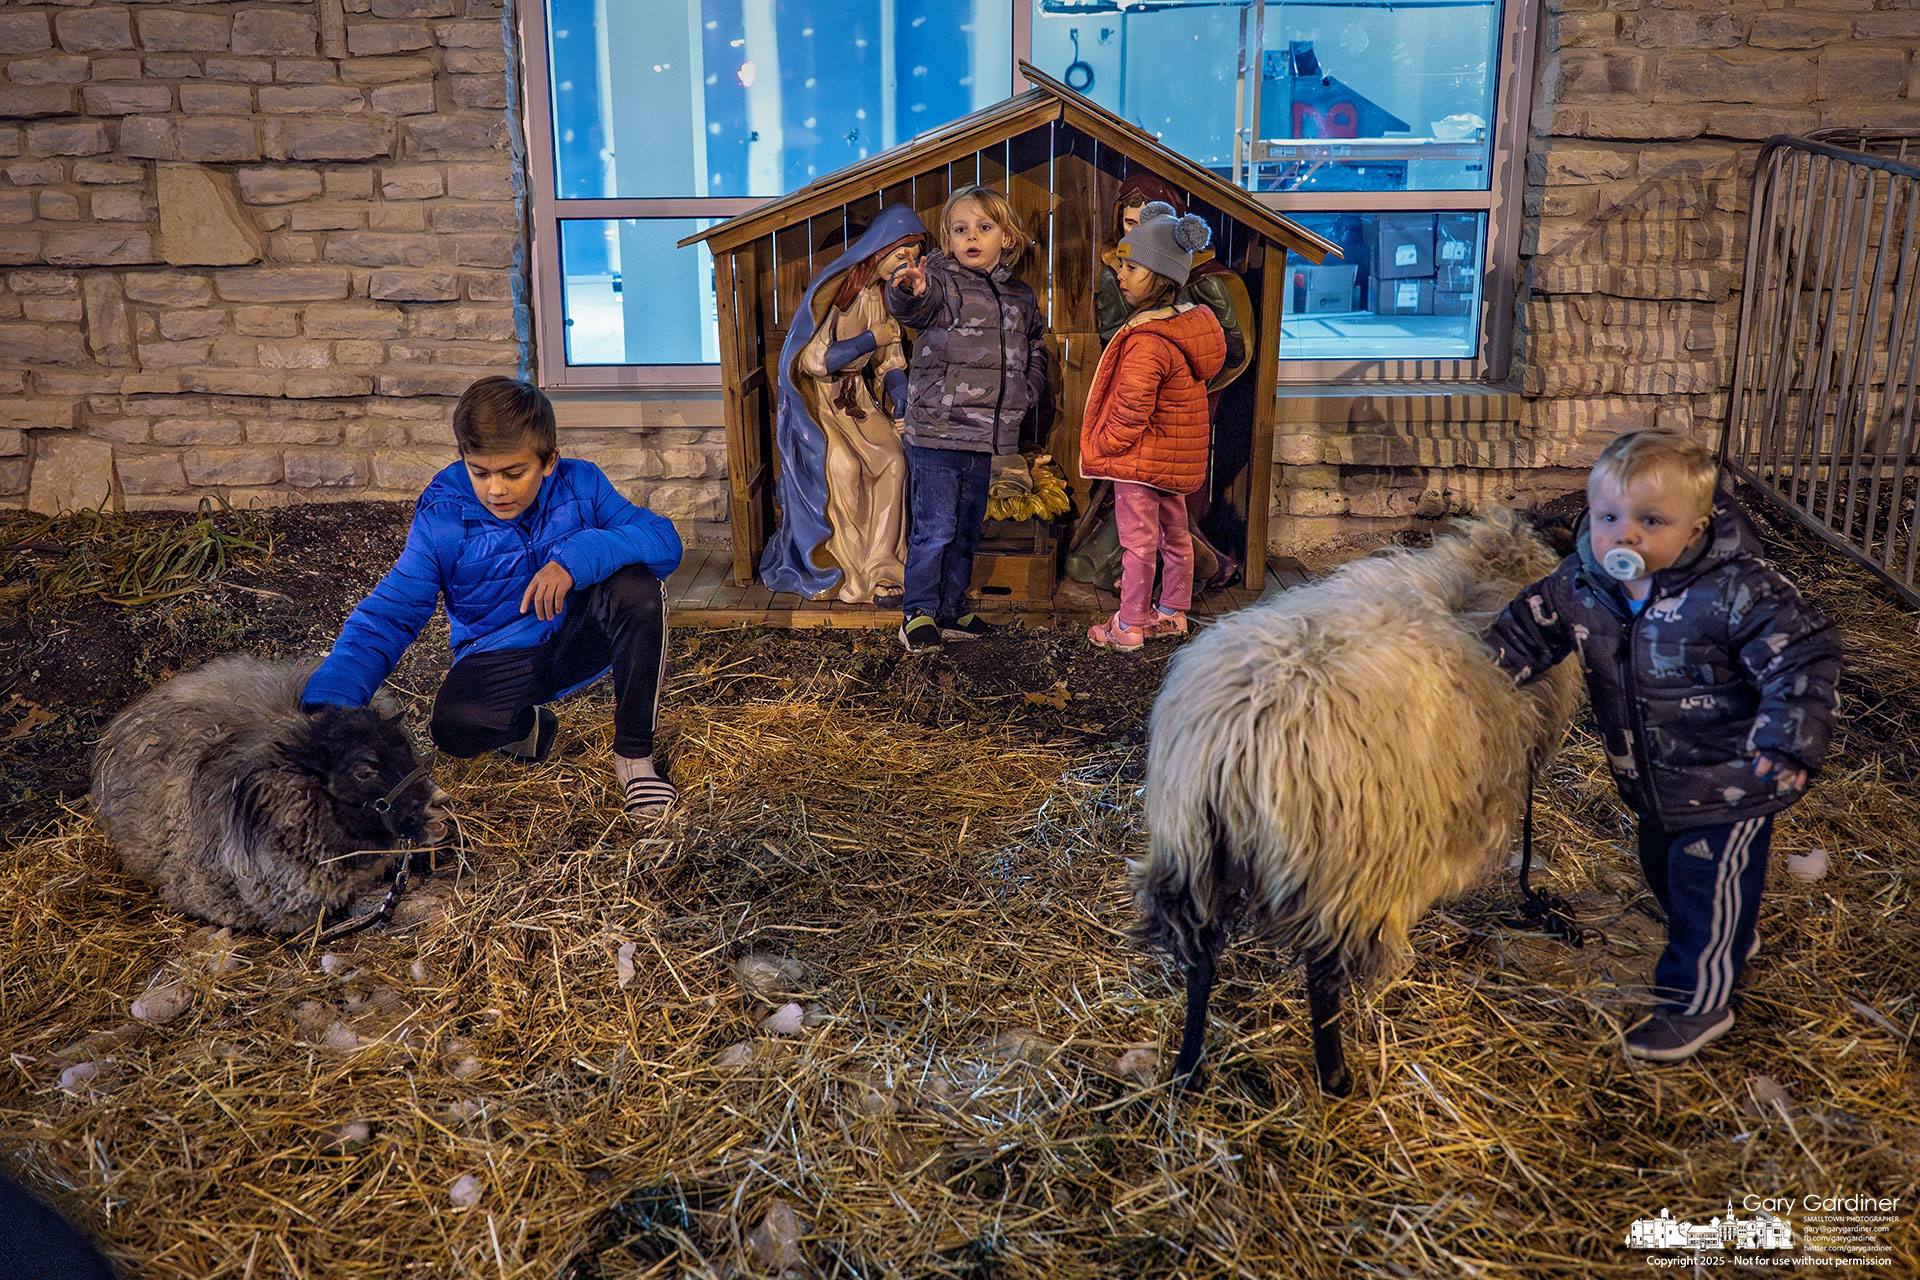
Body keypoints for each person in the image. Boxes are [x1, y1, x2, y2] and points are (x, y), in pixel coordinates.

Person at [1489, 430, 1841, 1063]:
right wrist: (1484, 675)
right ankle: (1722, 936)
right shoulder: (1586, 584)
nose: (1625, 536)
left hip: (1733, 782)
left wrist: (1787, 738)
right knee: (1670, 876)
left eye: (1651, 520)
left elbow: (1804, 659)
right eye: (1609, 518)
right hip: (1651, 782)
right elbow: (1529, 627)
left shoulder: (1735, 592)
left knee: (1705, 883)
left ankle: (1697, 1002)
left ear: (1697, 526)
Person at [301, 377, 685, 816]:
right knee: (454, 730)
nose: (496, 490)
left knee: (638, 590)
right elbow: (390, 615)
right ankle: (526, 726)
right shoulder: (443, 519)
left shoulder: (583, 484)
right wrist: (329, 702)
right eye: (480, 472)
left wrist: (577, 559)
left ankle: (635, 760)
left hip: (579, 633)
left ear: (548, 462)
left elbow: (663, 539)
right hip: (499, 653)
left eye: (512, 473)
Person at [885, 185, 1050, 651]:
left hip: (985, 437)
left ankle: (953, 608)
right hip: (937, 434)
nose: (971, 237)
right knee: (933, 528)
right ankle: (917, 612)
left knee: (965, 529)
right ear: (948, 240)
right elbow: (913, 306)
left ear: (1008, 238)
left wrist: (1027, 388)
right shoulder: (941, 283)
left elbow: (1034, 345)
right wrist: (907, 289)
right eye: (960, 230)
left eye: (983, 227)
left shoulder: (1019, 295)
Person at [1079, 202, 1226, 652]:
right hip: (1172, 460)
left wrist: (1106, 445)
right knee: (1174, 533)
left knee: (1137, 542)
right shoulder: (1187, 327)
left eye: (1133, 265)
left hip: (1139, 460)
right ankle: (1173, 611)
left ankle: (1130, 625)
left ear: (1160, 276)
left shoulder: (1147, 342)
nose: (1121, 273)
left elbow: (1130, 408)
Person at [761, 205, 926, 606]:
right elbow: (816, 361)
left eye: (916, 257)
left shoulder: (887, 299)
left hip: (859, 402)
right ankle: (844, 569)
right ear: (879, 251)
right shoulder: (836, 296)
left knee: (893, 462)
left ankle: (883, 568)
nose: (909, 264)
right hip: (821, 405)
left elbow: (891, 362)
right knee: (843, 467)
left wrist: (901, 398)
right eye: (901, 256)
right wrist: (870, 339)